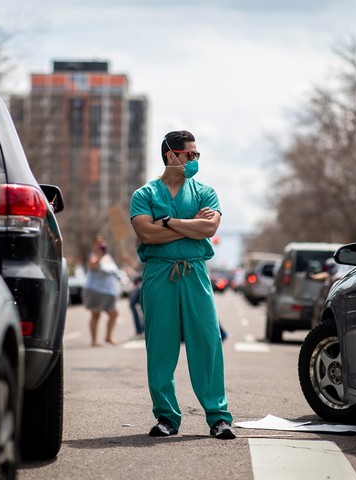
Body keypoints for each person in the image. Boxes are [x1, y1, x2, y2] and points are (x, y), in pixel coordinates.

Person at [130, 130, 235, 440]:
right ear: (170, 156)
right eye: (190, 155)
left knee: (207, 341)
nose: (194, 160)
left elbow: (209, 226)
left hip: (195, 273)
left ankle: (218, 417)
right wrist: (190, 228)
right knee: (160, 346)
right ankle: (166, 418)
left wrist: (167, 222)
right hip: (158, 274)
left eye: (196, 155)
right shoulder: (144, 194)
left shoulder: (205, 192)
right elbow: (147, 235)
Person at [83, 234, 120, 347]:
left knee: (114, 314)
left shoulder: (108, 257)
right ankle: (94, 340)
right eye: (98, 243)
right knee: (96, 315)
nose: (101, 245)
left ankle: (108, 337)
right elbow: (93, 265)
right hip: (96, 290)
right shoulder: (93, 256)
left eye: (102, 243)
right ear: (94, 245)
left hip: (109, 291)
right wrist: (100, 256)